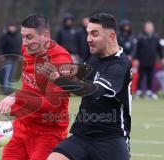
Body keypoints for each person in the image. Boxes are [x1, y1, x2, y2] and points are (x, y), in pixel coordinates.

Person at [44, 13, 132, 160]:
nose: (88, 39)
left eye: (94, 34)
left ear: (111, 37)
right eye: (88, 33)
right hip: (82, 135)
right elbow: (83, 73)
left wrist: (59, 80)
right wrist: (71, 71)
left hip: (110, 139)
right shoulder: (95, 57)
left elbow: (94, 90)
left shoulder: (120, 65)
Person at [0, 14, 73, 160]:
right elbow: (29, 86)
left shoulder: (60, 61)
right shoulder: (28, 49)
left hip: (48, 133)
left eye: (29, 37)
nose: (24, 42)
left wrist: (16, 96)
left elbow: (51, 105)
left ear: (46, 35)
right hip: (21, 126)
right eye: (22, 36)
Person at [134, 21, 164, 99]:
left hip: (151, 61)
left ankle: (149, 92)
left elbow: (159, 49)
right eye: (148, 27)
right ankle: (139, 92)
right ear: (145, 28)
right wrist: (136, 59)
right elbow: (136, 49)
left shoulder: (156, 37)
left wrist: (161, 58)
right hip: (142, 61)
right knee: (141, 76)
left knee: (150, 76)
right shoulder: (140, 37)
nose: (149, 29)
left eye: (151, 27)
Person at [0, 21, 22, 94]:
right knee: (7, 74)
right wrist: (1, 55)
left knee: (12, 74)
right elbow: (0, 47)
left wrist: (20, 55)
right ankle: (6, 90)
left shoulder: (17, 37)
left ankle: (10, 89)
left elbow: (19, 47)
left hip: (15, 59)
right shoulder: (5, 36)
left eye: (13, 27)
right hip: (7, 58)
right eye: (11, 26)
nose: (12, 28)